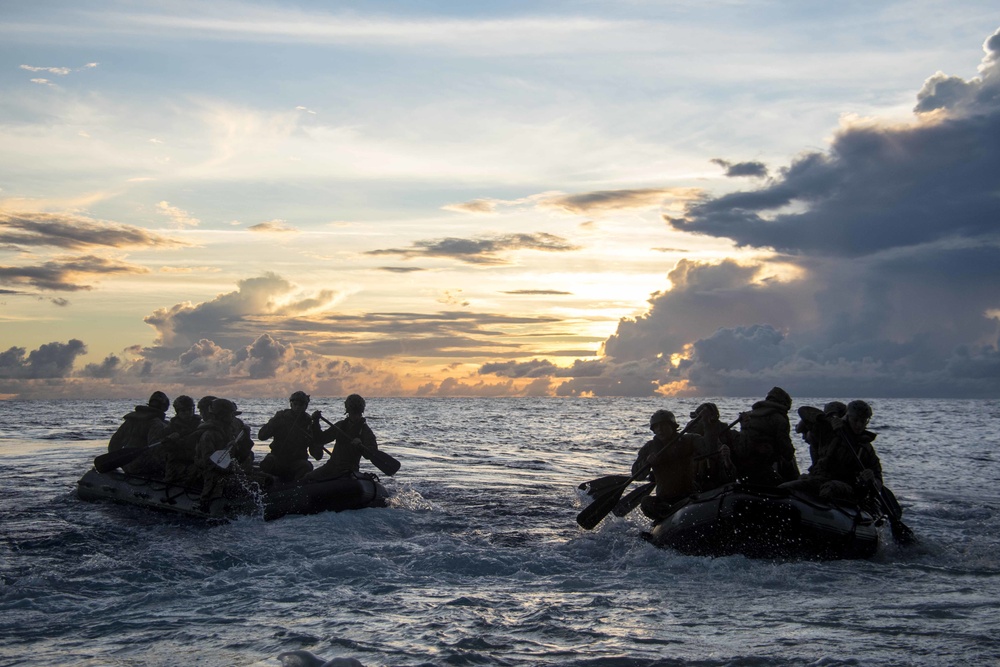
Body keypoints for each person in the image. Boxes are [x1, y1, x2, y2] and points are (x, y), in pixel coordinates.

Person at [783, 400, 883, 505]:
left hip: (845, 485)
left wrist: (871, 479)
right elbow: (803, 412)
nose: (859, 425)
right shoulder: (829, 430)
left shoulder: (865, 448)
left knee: (829, 489)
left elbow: (877, 477)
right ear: (847, 417)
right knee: (784, 488)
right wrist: (830, 419)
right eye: (855, 420)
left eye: (863, 422)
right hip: (819, 479)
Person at [631, 409, 707, 520]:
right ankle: (666, 517)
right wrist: (646, 463)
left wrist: (709, 425)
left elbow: (708, 450)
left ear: (672, 426)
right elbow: (636, 475)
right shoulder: (649, 448)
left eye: (664, 426)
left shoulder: (689, 439)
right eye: (656, 427)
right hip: (665, 499)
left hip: (689, 494)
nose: (660, 430)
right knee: (646, 502)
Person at [731, 386, 799, 486]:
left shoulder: (751, 415)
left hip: (742, 463)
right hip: (764, 463)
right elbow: (786, 450)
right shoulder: (780, 419)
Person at [305, 394, 379, 482]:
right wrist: (316, 422)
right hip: (331, 466)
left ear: (361, 412)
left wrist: (361, 445)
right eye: (353, 412)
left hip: (349, 470)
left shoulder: (365, 431)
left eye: (357, 413)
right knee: (307, 478)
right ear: (348, 412)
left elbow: (371, 453)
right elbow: (320, 439)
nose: (355, 416)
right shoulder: (340, 426)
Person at [195, 398, 251, 509]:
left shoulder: (230, 432)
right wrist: (231, 468)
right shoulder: (208, 434)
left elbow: (241, 457)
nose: (232, 417)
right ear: (221, 415)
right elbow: (209, 463)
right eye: (230, 414)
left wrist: (246, 439)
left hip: (228, 471)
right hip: (214, 476)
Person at [258, 390, 323, 481]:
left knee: (306, 466)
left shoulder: (309, 424)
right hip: (278, 459)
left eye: (301, 405)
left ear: (305, 406)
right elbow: (261, 436)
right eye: (295, 404)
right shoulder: (281, 417)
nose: (297, 407)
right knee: (268, 462)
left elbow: (317, 455)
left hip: (296, 462)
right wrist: (273, 423)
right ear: (291, 404)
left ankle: (297, 488)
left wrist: (316, 425)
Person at [107, 391, 170, 477]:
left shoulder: (131, 420)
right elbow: (156, 450)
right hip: (143, 467)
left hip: (126, 465)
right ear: (164, 407)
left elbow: (114, 444)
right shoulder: (156, 424)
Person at [688, 402, 737, 492]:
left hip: (715, 488)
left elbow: (730, 476)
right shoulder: (689, 439)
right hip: (694, 488)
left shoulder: (719, 442)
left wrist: (727, 460)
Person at [162, 395, 203, 487]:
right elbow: (163, 448)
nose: (188, 413)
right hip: (177, 463)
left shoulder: (200, 426)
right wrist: (170, 440)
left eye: (190, 409)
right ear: (178, 412)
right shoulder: (171, 427)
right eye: (183, 411)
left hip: (195, 463)